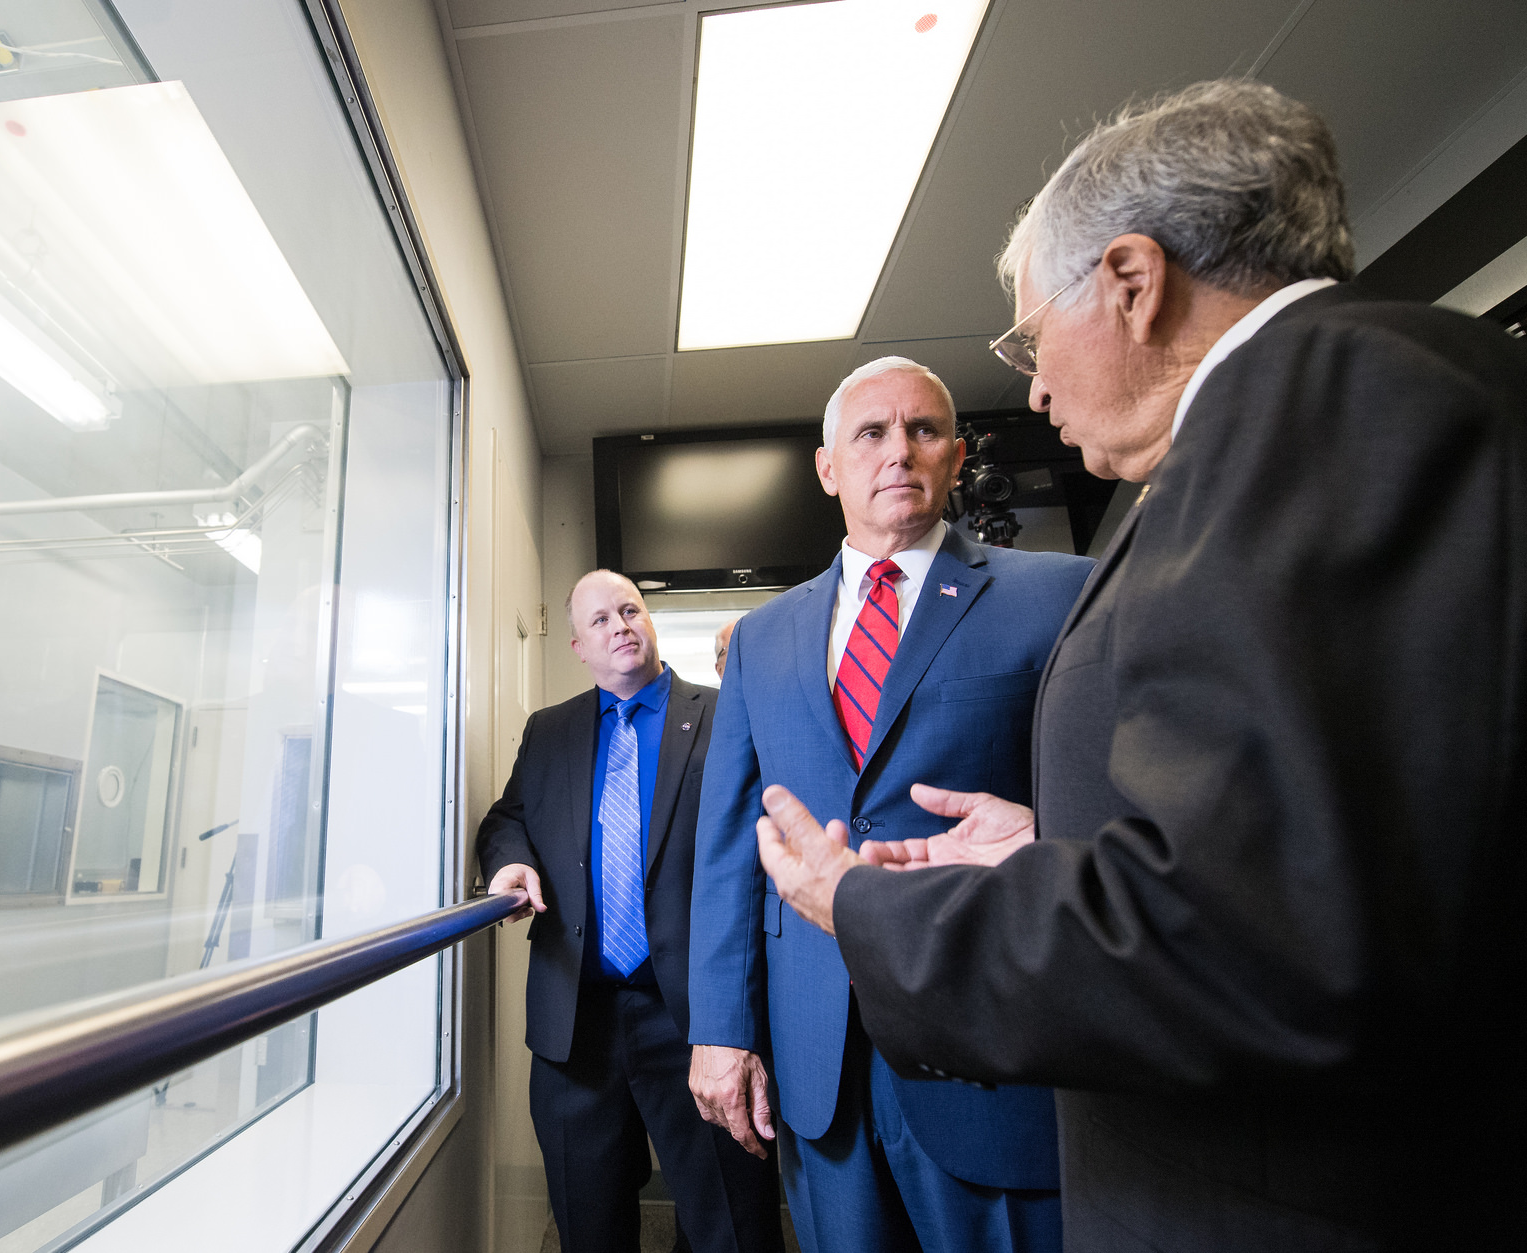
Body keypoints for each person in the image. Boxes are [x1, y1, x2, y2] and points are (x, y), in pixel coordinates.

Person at [753, 80, 1527, 1252]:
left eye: (1027, 334)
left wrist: (863, 903)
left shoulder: (1319, 411)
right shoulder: (1310, 417)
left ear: (1130, 280)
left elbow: (1255, 938)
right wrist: (1053, 847)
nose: (1031, 384)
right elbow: (1326, 843)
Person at [687, 358, 1090, 1253]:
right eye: (870, 433)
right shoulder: (763, 638)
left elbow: (1109, 802)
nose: (897, 451)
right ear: (828, 467)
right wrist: (720, 1028)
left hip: (986, 1042)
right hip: (818, 1057)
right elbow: (726, 846)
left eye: (924, 430)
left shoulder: (1060, 595)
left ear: (955, 457)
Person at [480, 570, 782, 1253]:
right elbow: (506, 818)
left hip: (698, 1020)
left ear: (648, 621)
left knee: (732, 1227)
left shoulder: (724, 713)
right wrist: (508, 861)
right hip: (574, 1024)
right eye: (600, 620)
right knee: (589, 1231)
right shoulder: (548, 730)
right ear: (578, 646)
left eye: (629, 609)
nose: (619, 625)